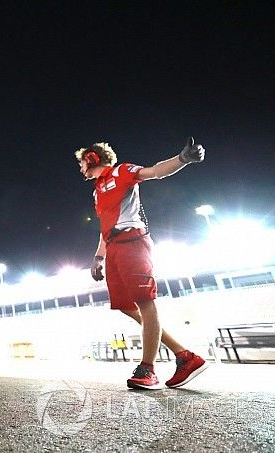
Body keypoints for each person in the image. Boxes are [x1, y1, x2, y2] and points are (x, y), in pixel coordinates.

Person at [75, 138, 209, 389]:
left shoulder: (122, 171)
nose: (80, 168)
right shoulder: (97, 190)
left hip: (132, 242)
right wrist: (99, 257)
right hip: (114, 247)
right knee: (126, 306)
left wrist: (183, 159)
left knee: (145, 303)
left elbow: (155, 171)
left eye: (82, 162)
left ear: (92, 159)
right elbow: (105, 227)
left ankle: (148, 369)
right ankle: (184, 356)